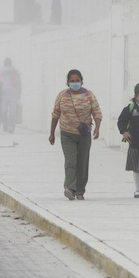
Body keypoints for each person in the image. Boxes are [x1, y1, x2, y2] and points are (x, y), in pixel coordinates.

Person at [49, 70, 102, 201]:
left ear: (82, 81)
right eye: (72, 81)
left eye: (77, 80)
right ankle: (69, 188)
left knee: (82, 163)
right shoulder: (62, 96)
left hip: (84, 135)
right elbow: (55, 114)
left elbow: (97, 112)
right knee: (70, 161)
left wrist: (97, 128)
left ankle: (80, 191)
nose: (74, 83)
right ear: (67, 82)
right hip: (67, 134)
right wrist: (52, 134)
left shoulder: (89, 95)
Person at [0, 58, 22, 133]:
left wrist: (19, 92)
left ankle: (9, 126)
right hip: (7, 93)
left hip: (11, 93)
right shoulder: (12, 70)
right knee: (7, 111)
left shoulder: (6, 70)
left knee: (9, 111)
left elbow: (19, 82)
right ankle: (7, 125)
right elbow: (19, 82)